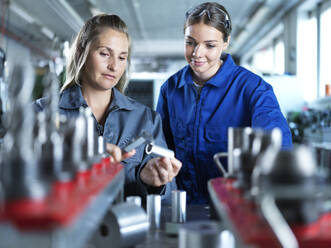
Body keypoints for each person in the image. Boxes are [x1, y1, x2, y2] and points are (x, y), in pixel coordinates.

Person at [34, 14, 182, 201]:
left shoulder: (146, 119)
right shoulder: (41, 114)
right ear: (81, 52)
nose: (114, 66)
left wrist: (150, 181)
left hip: (125, 227)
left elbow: (168, 200)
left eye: (122, 58)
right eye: (104, 54)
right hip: (61, 227)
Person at [156, 2, 292, 204]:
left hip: (236, 207)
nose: (197, 53)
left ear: (226, 41)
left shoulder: (253, 89)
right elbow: (159, 147)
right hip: (183, 205)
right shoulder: (171, 89)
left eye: (209, 45)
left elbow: (278, 147)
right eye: (190, 42)